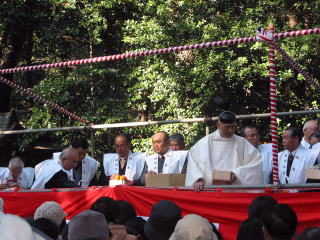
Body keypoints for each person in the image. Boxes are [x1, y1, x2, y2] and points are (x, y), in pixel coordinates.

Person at [186, 111, 263, 190]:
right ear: (218, 125)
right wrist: (199, 179)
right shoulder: (204, 143)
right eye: (227, 127)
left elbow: (255, 161)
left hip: (235, 191)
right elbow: (194, 160)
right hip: (211, 191)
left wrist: (237, 174)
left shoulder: (242, 143)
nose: (230, 130)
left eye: (233, 127)